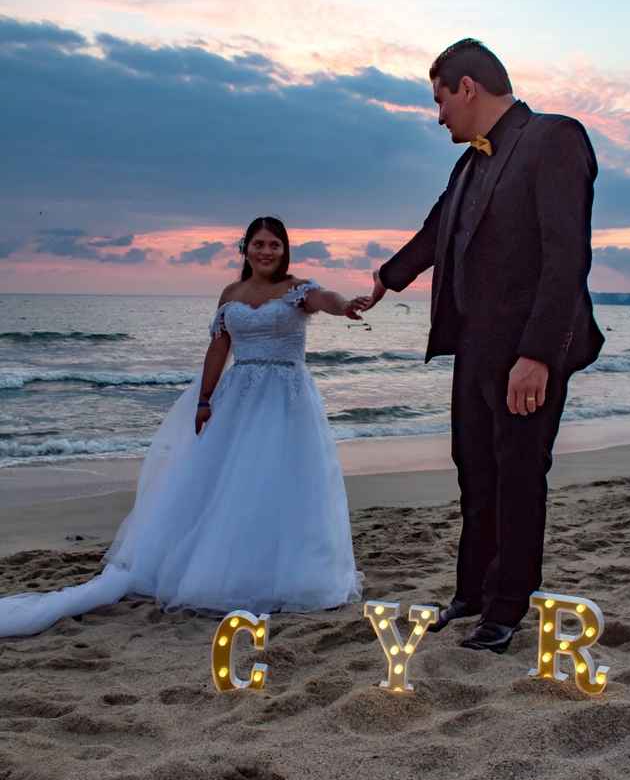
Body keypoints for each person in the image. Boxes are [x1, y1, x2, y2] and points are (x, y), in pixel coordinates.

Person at [0, 217, 363, 637]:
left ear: (285, 251)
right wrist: (205, 399)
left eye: (274, 245)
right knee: (228, 483)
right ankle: (226, 568)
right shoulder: (231, 294)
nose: (266, 251)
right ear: (245, 248)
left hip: (287, 399)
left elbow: (326, 299)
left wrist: (345, 305)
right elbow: (218, 348)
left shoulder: (297, 289)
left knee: (282, 481)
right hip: (238, 397)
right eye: (259, 244)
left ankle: (290, 573)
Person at [358, 39, 604, 653]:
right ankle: (472, 592)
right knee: (474, 472)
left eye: (439, 100)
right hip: (472, 348)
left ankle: (508, 606)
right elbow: (437, 230)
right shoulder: (468, 164)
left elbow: (566, 255)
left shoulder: (554, 138)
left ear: (467, 88)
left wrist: (538, 354)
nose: (438, 115)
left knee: (519, 475)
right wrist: (386, 278)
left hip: (525, 352)